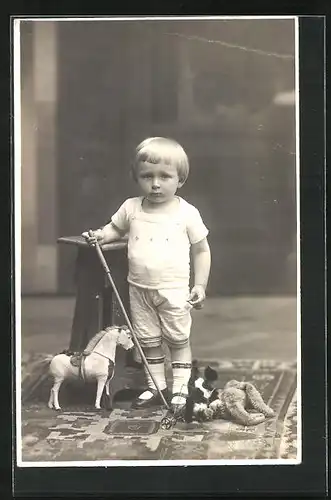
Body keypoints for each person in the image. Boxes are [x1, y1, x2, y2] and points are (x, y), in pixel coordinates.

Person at [82, 137, 211, 412]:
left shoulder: (186, 213)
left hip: (173, 289)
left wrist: (200, 284)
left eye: (165, 176)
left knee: (178, 340)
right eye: (147, 176)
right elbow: (114, 230)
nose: (155, 183)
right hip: (138, 288)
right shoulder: (131, 207)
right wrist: (100, 235)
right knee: (148, 341)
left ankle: (179, 388)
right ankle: (157, 386)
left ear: (181, 180)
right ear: (136, 177)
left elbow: (201, 250)